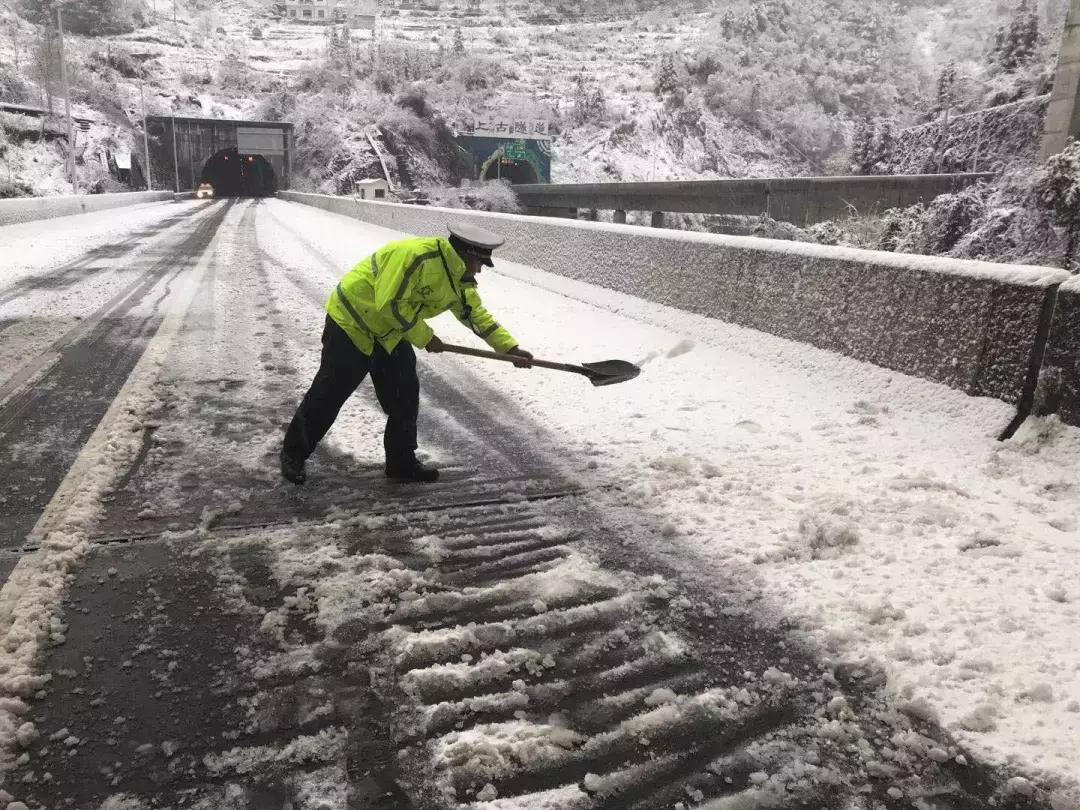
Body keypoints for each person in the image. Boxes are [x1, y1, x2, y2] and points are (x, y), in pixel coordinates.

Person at [281, 223, 532, 484]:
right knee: (329, 394)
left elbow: (475, 315)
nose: (479, 269)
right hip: (353, 322)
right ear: (465, 255)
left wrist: (509, 349)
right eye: (479, 262)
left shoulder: (459, 279)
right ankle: (293, 455)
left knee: (404, 397)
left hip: (390, 332)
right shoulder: (415, 257)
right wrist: (426, 338)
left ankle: (401, 463)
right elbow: (389, 303)